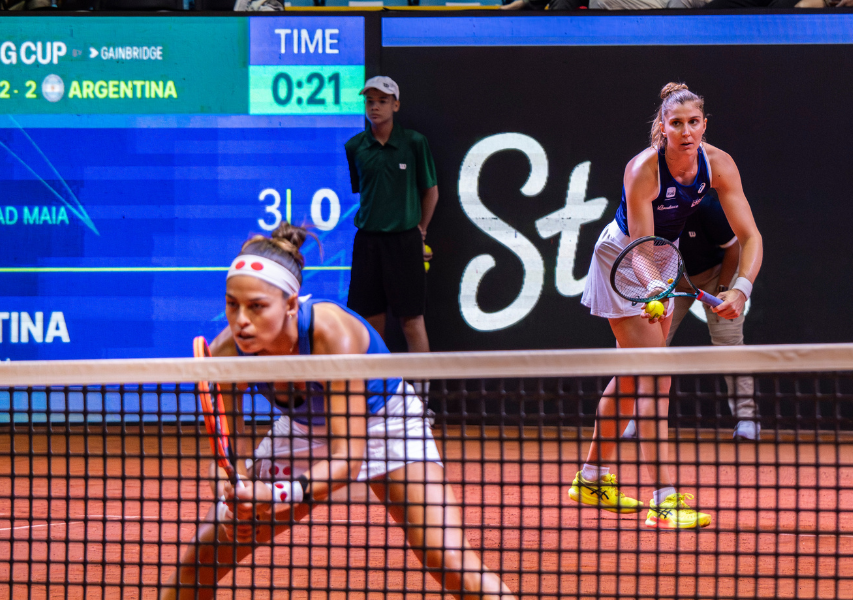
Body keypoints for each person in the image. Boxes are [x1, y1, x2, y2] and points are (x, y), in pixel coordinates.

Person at [162, 223, 513, 600]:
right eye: (233, 304)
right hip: (300, 431)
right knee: (198, 565)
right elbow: (229, 457)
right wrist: (236, 494)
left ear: (291, 305)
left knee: (449, 560)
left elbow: (347, 459)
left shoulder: (334, 336)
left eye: (257, 307)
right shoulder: (227, 355)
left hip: (386, 424)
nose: (242, 320)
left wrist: (274, 494)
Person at [569, 83, 763, 529]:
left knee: (633, 377)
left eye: (694, 122)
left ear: (704, 125)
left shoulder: (718, 164)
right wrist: (655, 287)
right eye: (676, 123)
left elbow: (750, 237)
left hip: (661, 254)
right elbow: (639, 247)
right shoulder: (642, 169)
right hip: (622, 258)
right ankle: (664, 499)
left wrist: (741, 288)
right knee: (656, 377)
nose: (686, 131)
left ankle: (592, 479)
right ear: (662, 128)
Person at [622, 191, 760, 441]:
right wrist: (657, 287)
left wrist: (723, 291)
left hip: (718, 274)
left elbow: (734, 249)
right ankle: (634, 418)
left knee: (730, 347)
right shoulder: (648, 207)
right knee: (649, 348)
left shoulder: (708, 207)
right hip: (667, 278)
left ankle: (747, 419)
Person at [345, 76, 437, 353]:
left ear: (396, 105)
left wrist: (421, 231)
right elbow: (362, 190)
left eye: (382, 101)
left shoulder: (414, 143)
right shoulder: (354, 147)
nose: (375, 107)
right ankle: (379, 395)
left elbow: (430, 192)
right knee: (370, 326)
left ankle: (422, 396)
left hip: (405, 243)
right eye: (370, 102)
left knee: (412, 321)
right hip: (368, 244)